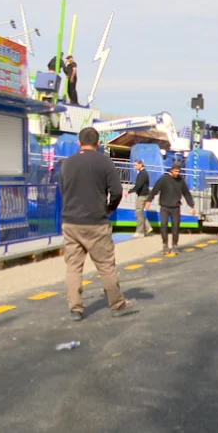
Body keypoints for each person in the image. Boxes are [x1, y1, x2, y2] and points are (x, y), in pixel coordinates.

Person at [59, 127, 136, 322]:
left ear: (79, 142)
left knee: (73, 267)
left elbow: (63, 189)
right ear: (98, 143)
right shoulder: (105, 162)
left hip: (71, 221)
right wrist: (109, 209)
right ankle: (117, 305)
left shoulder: (67, 163)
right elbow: (116, 191)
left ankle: (75, 308)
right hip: (96, 221)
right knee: (106, 266)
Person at [146, 163, 196, 255]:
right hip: (164, 207)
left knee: (176, 227)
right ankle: (165, 244)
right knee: (164, 225)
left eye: (179, 171)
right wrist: (149, 200)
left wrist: (192, 205)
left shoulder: (181, 181)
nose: (177, 173)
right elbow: (155, 190)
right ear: (171, 170)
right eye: (176, 171)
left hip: (175, 207)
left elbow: (186, 194)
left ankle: (174, 245)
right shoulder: (164, 179)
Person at [128, 159, 152, 238]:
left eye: (136, 165)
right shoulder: (144, 173)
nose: (134, 167)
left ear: (141, 165)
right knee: (140, 213)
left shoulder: (142, 174)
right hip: (144, 194)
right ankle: (148, 227)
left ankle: (140, 231)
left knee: (138, 213)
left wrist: (129, 191)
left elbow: (138, 185)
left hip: (142, 195)